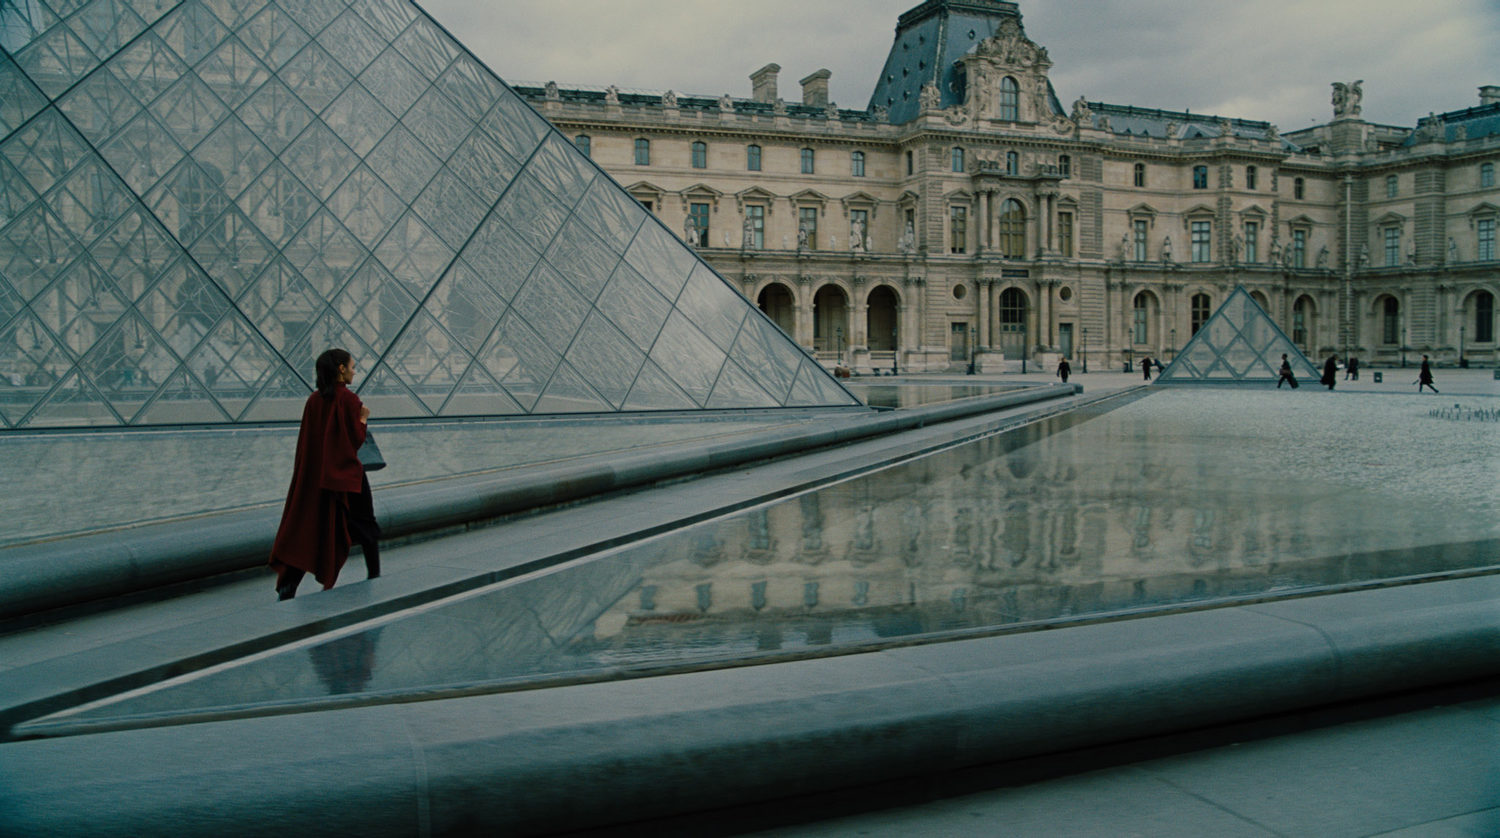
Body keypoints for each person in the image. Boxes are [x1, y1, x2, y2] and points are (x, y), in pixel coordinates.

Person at [270, 348, 381, 601]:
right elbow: (353, 440)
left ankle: (288, 586)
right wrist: (363, 419)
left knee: (311, 529)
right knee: (366, 525)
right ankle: (375, 576)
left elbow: (308, 444)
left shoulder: (313, 400)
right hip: (347, 477)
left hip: (317, 478)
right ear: (340, 369)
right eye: (352, 367)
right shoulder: (350, 401)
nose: (355, 371)